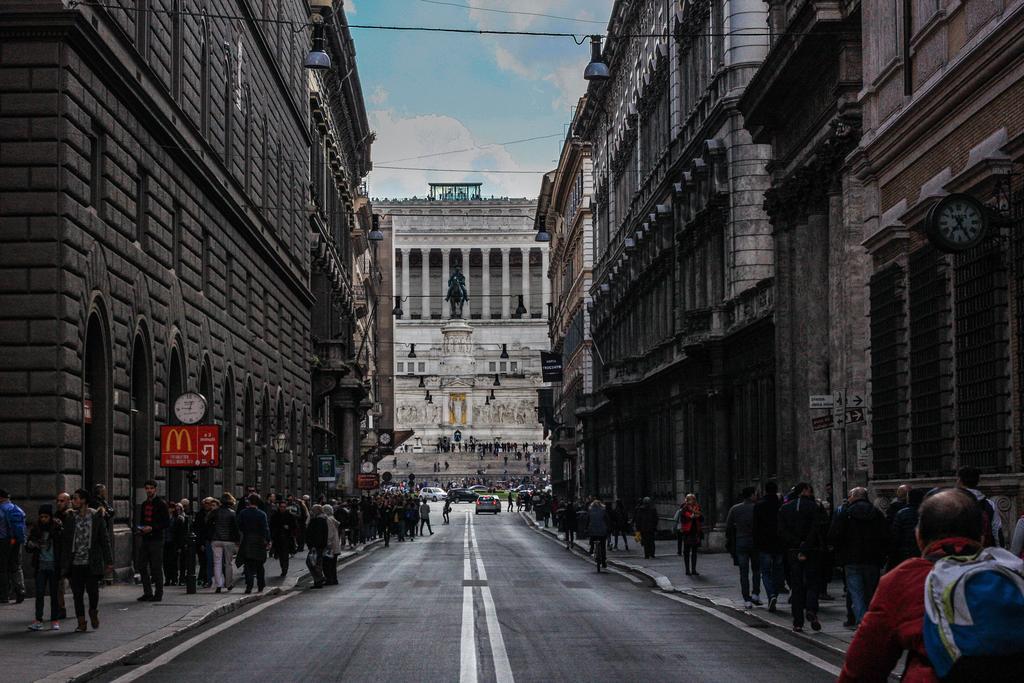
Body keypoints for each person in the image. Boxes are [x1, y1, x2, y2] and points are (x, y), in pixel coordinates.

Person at [837, 488, 1000, 681]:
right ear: (981, 536)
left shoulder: (906, 579)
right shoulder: (1012, 571)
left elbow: (862, 666)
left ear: (919, 537)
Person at [828, 487, 890, 625]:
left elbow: (834, 534)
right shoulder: (876, 513)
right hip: (872, 559)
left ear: (853, 496)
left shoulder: (845, 513)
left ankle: (863, 622)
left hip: (851, 559)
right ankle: (869, 620)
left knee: (856, 592)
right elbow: (885, 536)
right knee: (870, 592)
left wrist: (839, 553)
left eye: (849, 496)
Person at [62, 489, 112, 632]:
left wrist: (109, 561)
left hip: (91, 562)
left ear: (83, 500)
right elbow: (66, 542)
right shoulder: (71, 517)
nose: (73, 501)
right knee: (77, 595)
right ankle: (81, 622)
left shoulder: (96, 517)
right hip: (75, 563)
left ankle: (93, 611)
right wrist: (64, 563)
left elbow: (105, 540)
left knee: (93, 592)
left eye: (75, 498)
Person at [778, 482, 824, 632]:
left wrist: (796, 543)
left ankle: (798, 621)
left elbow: (782, 530)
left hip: (793, 550)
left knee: (797, 586)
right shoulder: (814, 507)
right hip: (811, 550)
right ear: (805, 491)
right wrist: (806, 544)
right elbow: (816, 528)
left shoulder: (785, 508)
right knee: (812, 582)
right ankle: (811, 609)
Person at [25, 504, 62, 630]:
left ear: (50, 517)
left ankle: (54, 619)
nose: (43, 519)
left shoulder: (57, 528)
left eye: (46, 517)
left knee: (53, 594)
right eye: (41, 517)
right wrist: (32, 544)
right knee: (39, 593)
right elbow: (28, 545)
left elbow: (62, 546)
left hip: (53, 565)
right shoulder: (36, 529)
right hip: (40, 565)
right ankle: (38, 619)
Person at [726, 487, 761, 608]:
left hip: (741, 541)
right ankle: (756, 593)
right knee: (756, 569)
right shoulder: (757, 508)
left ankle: (746, 599)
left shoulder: (735, 509)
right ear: (751, 495)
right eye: (756, 494)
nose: (757, 496)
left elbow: (728, 526)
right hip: (755, 542)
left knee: (743, 571)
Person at [753, 481, 785, 613]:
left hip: (764, 544)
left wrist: (756, 544)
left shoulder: (759, 505)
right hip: (778, 543)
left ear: (765, 490)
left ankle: (771, 594)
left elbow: (755, 527)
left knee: (765, 572)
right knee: (778, 572)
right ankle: (775, 595)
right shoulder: (781, 505)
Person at [136, 479, 169, 602]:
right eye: (147, 488)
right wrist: (141, 529)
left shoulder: (161, 503)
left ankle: (158, 593)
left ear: (155, 489)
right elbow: (143, 520)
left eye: (151, 488)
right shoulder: (144, 504)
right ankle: (147, 592)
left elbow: (166, 522)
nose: (149, 490)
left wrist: (152, 528)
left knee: (156, 567)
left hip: (156, 539)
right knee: (142, 566)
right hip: (145, 539)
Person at [955, 466, 1002, 547]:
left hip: (956, 554)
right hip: (983, 555)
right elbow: (997, 532)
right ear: (977, 481)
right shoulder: (989, 505)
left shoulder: (952, 503)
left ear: (960, 481)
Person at [237, 494, 270, 594]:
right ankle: (261, 585)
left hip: (247, 540)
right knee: (259, 564)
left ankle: (249, 586)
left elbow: (239, 525)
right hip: (259, 541)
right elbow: (265, 528)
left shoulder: (243, 513)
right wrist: (268, 540)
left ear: (249, 502)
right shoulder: (262, 514)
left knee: (248, 564)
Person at [0, 488, 27, 605]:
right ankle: (20, 590)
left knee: (2, 568)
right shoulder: (16, 508)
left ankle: (4, 595)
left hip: (4, 541)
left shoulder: (2, 509)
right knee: (15, 566)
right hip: (16, 541)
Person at [890, 487, 926, 568]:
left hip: (904, 552)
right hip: (922, 551)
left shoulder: (902, 513)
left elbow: (895, 535)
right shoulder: (927, 513)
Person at [210, 493, 237, 593]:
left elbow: (208, 523)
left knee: (217, 563)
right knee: (228, 563)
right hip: (228, 540)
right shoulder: (232, 513)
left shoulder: (215, 512)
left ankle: (218, 585)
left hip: (216, 539)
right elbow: (235, 528)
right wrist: (237, 540)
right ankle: (229, 584)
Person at [674, 494, 703, 574]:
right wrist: (690, 517)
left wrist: (698, 516)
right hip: (687, 532)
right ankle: (687, 570)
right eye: (690, 499)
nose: (692, 501)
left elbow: (701, 518)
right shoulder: (684, 508)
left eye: (693, 499)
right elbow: (682, 520)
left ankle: (693, 569)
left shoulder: (697, 507)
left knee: (694, 551)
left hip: (695, 531)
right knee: (686, 552)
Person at [269, 499, 296, 577]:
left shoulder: (290, 515)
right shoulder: (275, 515)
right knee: (281, 555)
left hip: (287, 538)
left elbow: (294, 526)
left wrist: (289, 527)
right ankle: (283, 567)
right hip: (278, 538)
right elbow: (271, 526)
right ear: (279, 507)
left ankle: (285, 569)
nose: (282, 508)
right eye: (281, 507)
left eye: (284, 507)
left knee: (285, 555)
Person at [163, 502, 187, 586]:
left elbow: (180, 534)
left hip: (174, 543)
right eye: (169, 508)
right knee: (165, 561)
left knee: (173, 561)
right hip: (165, 542)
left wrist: (180, 545)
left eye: (171, 508)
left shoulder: (178, 519)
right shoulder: (164, 518)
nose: (170, 509)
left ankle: (174, 578)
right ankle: (167, 579)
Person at [305, 505, 328, 589]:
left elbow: (317, 534)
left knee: (311, 562)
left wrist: (313, 545)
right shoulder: (320, 520)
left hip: (316, 546)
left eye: (313, 510)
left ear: (317, 511)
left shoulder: (318, 520)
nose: (311, 512)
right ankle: (318, 581)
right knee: (316, 563)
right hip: (319, 546)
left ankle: (319, 578)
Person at [586, 499, 609, 572]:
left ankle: (592, 549)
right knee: (603, 546)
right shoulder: (603, 510)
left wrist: (586, 528)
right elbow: (607, 519)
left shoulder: (590, 510)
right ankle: (604, 561)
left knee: (592, 538)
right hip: (602, 531)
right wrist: (608, 527)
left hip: (593, 530)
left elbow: (588, 520)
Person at [321, 504, 341, 586]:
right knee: (333, 565)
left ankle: (329, 579)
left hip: (330, 547)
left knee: (327, 564)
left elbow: (330, 534)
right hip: (335, 545)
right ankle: (334, 579)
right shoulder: (333, 519)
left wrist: (328, 544)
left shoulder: (328, 520)